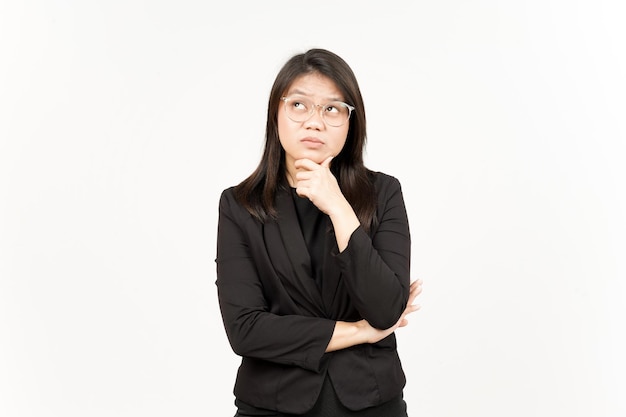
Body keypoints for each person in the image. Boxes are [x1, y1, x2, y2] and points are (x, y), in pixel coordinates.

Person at [215, 48, 422, 417]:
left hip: (373, 404)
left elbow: (386, 308)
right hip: (272, 405)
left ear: (350, 121)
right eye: (299, 105)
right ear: (275, 114)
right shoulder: (239, 204)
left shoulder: (384, 193)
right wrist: (360, 332)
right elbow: (245, 329)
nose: (314, 122)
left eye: (332, 109)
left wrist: (339, 207)